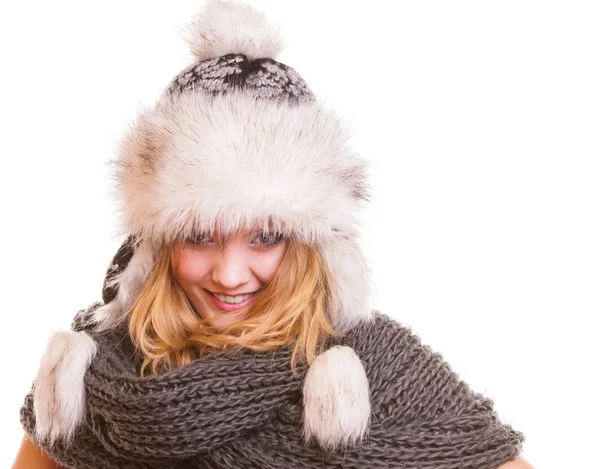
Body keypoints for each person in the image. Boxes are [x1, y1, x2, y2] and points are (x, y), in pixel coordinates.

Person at [12, 1, 534, 468]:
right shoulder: (91, 377)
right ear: (156, 242)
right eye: (199, 235)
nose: (231, 274)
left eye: (264, 237)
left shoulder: (380, 366)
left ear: (310, 243)